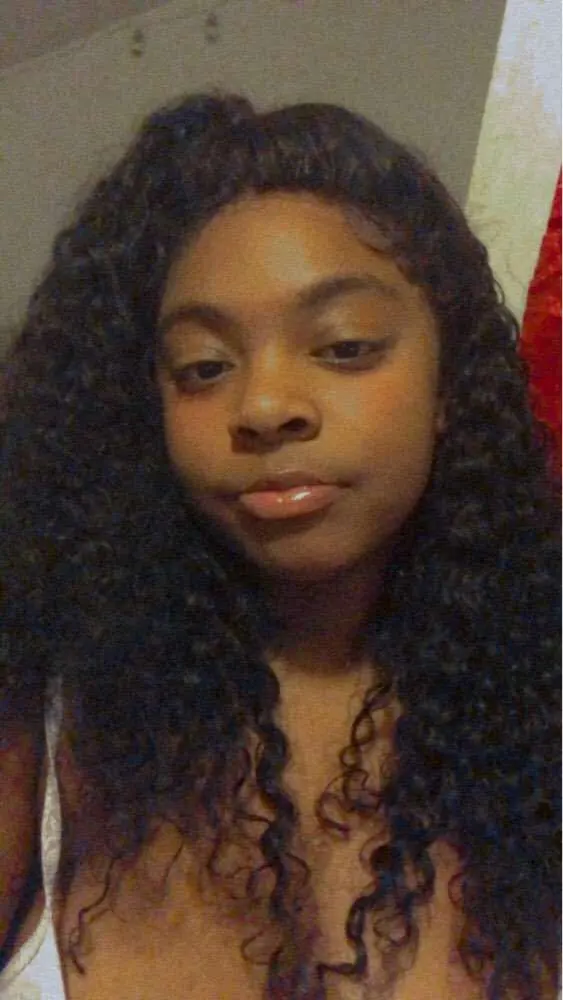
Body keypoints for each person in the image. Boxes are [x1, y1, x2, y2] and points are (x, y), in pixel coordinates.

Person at [0, 92, 559, 1000]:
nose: (263, 406)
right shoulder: (43, 712)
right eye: (203, 367)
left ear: (449, 385)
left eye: (343, 346)